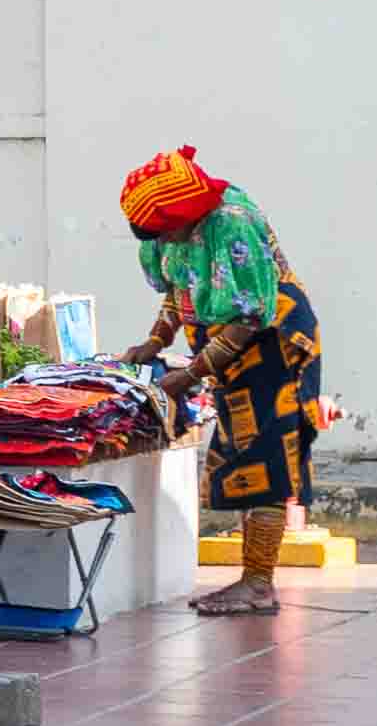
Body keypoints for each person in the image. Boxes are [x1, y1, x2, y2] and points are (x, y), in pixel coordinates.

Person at [117, 146, 321, 616]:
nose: (162, 243)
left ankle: (257, 584)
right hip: (227, 343)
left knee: (267, 453)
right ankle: (252, 580)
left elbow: (250, 314)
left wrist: (189, 374)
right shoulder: (167, 232)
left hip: (272, 341)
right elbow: (180, 287)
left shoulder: (231, 223)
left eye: (167, 233)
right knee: (240, 449)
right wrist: (154, 341)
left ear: (185, 217)